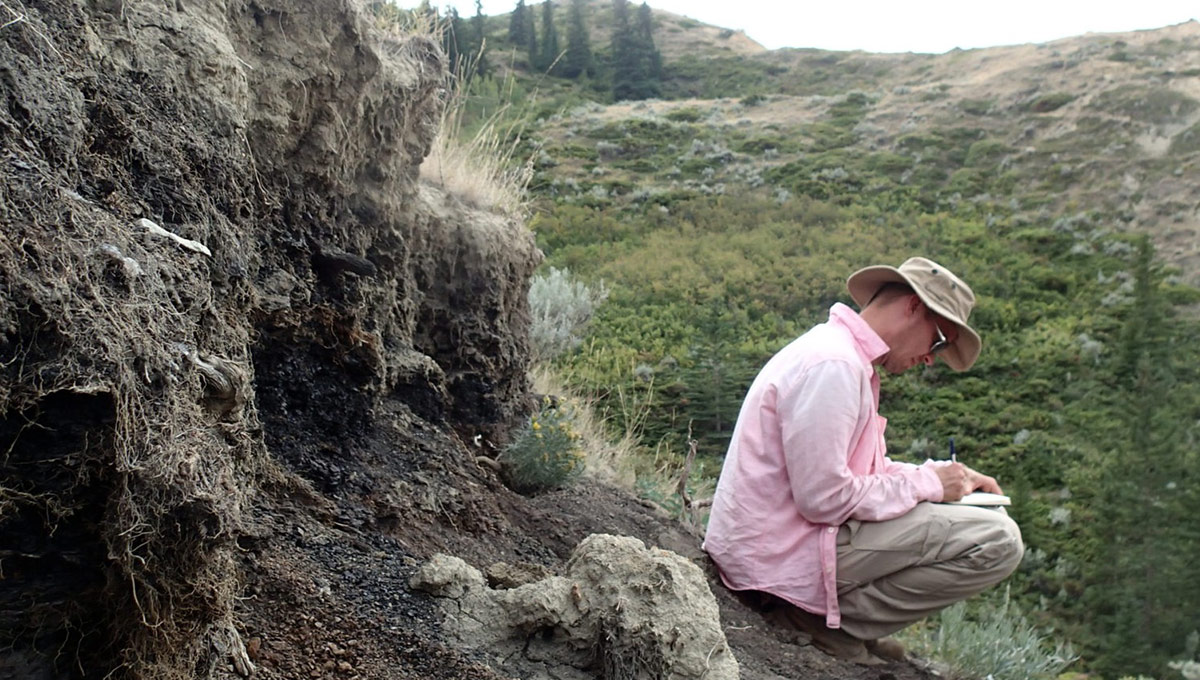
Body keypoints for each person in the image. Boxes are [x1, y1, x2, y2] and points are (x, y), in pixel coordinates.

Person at [703, 256, 1023, 665]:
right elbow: (824, 498)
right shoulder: (834, 366)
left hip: (778, 544)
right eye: (938, 341)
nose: (930, 358)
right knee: (998, 540)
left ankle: (835, 622)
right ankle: (822, 624)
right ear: (914, 307)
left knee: (974, 522)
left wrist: (943, 478)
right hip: (776, 559)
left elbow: (859, 475)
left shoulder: (841, 358)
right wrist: (928, 486)